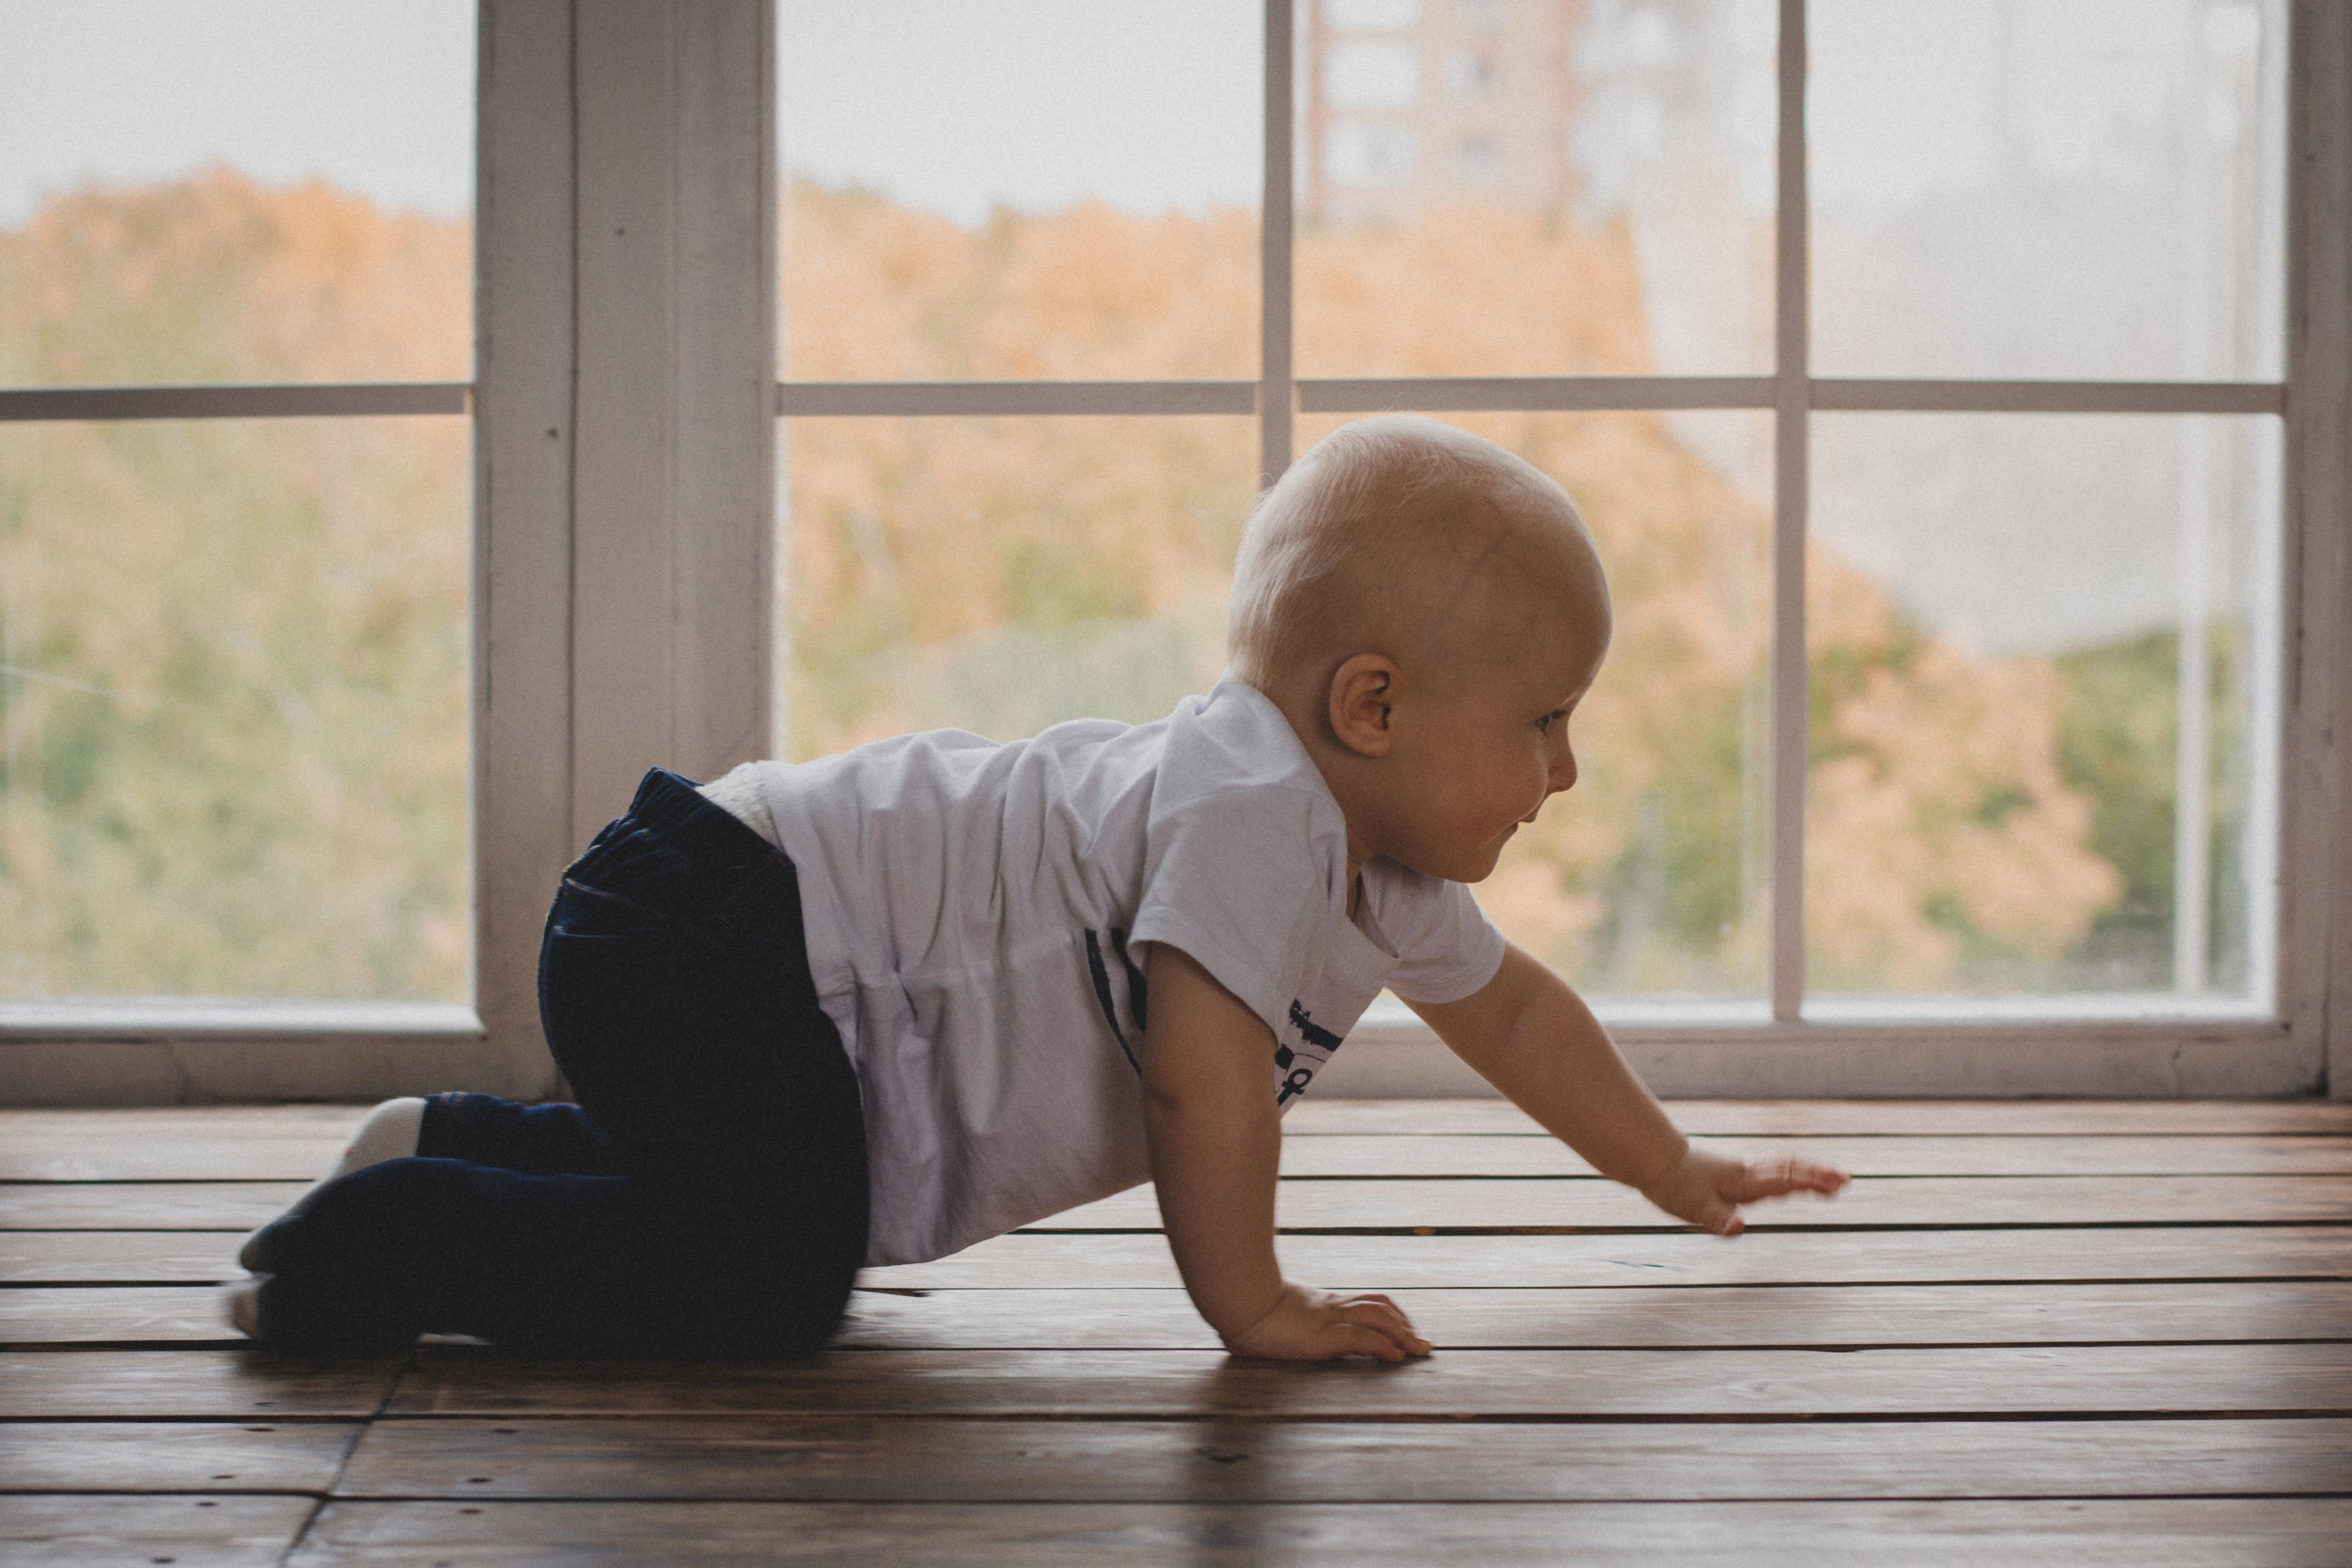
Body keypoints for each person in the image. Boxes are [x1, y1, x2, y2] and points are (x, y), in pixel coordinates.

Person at [228, 414, 1848, 1360]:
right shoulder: (1251, 808)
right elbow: (1203, 1097)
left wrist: (1670, 1165)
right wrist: (1256, 1308)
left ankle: (454, 1139)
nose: (1565, 773)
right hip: (716, 926)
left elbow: (1516, 1014)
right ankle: (389, 1241)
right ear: (1373, 708)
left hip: (728, 928)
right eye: (1547, 725)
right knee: (775, 1283)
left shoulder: (1372, 857)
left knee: (778, 1207)